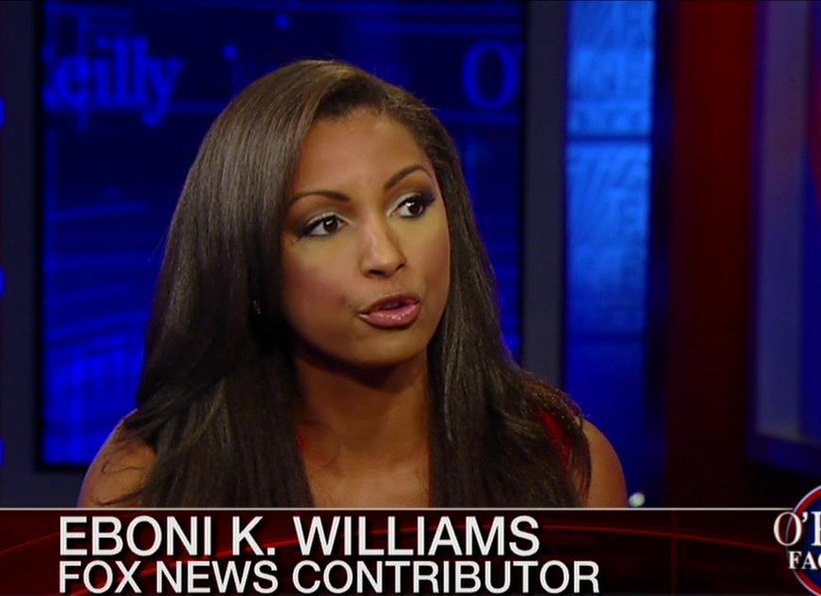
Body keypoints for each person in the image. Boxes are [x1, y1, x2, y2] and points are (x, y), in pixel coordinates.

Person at [79, 60, 626, 508]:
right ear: (247, 262)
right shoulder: (148, 485)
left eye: (411, 205)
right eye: (325, 224)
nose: (387, 256)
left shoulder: (565, 467)